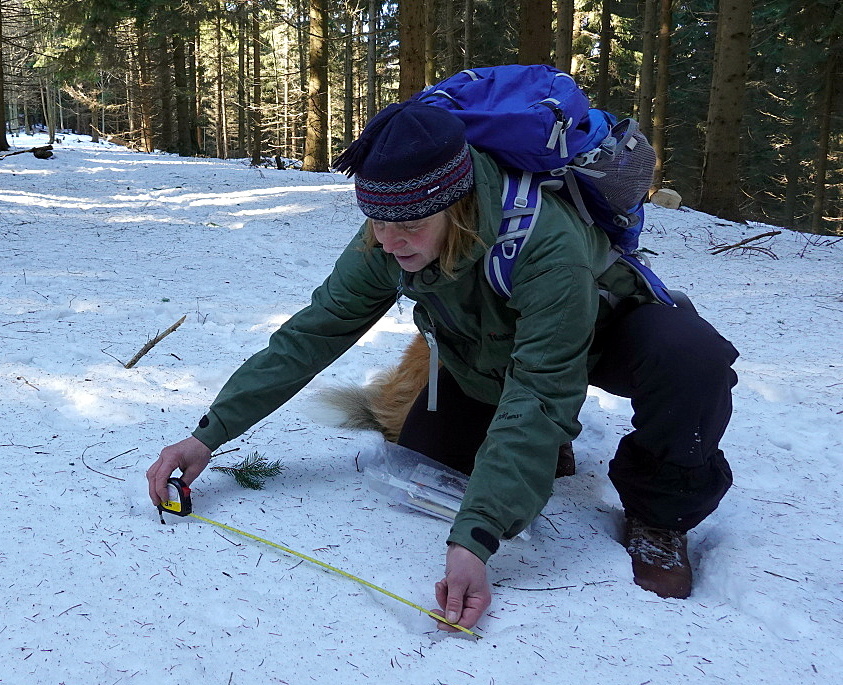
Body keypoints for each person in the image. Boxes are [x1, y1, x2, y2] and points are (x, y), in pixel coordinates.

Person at [146, 101, 738, 633]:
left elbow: (541, 387)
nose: (390, 241)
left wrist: (475, 541)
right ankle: (540, 452)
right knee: (432, 456)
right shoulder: (390, 226)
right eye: (377, 223)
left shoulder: (542, 242)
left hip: (602, 333)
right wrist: (209, 434)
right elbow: (312, 333)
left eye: (408, 227)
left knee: (692, 361)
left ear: (457, 207)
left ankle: (660, 514)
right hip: (485, 351)